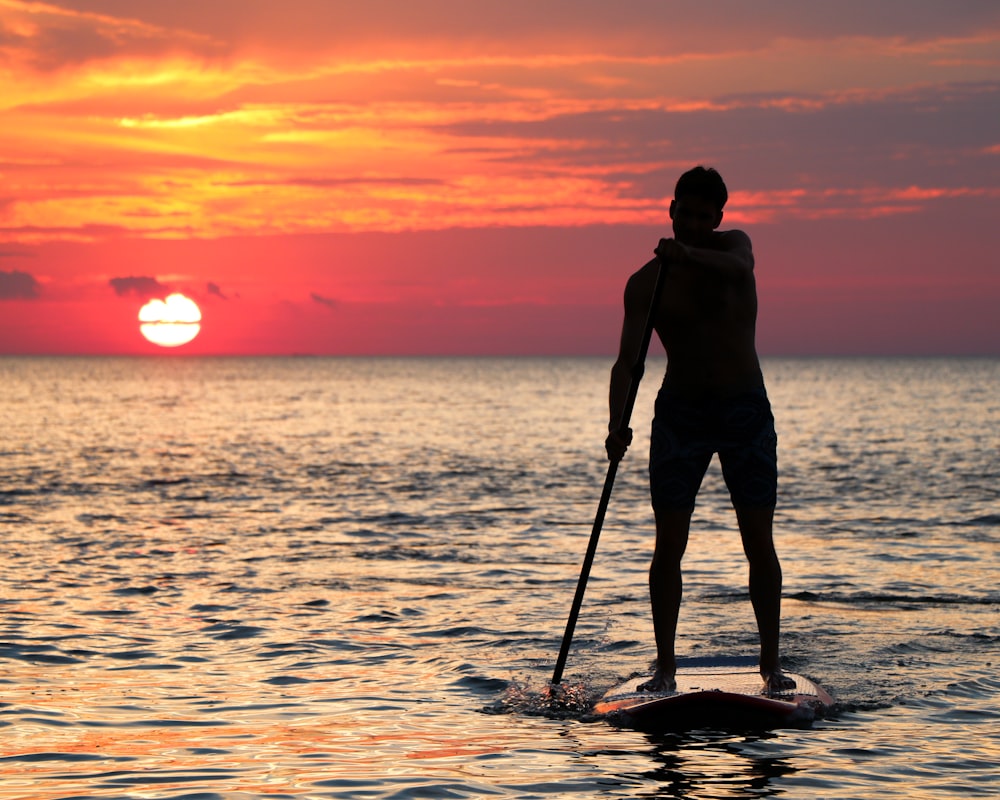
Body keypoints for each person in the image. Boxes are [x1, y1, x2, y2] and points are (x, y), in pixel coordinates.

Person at [605, 166, 794, 693]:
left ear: (717, 219)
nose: (689, 223)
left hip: (744, 412)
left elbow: (738, 268)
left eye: (700, 216)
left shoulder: (735, 248)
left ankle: (771, 667)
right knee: (669, 544)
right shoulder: (646, 284)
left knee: (759, 541)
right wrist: (617, 423)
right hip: (681, 415)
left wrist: (688, 256)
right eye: (682, 213)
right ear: (670, 211)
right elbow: (627, 364)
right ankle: (665, 667)